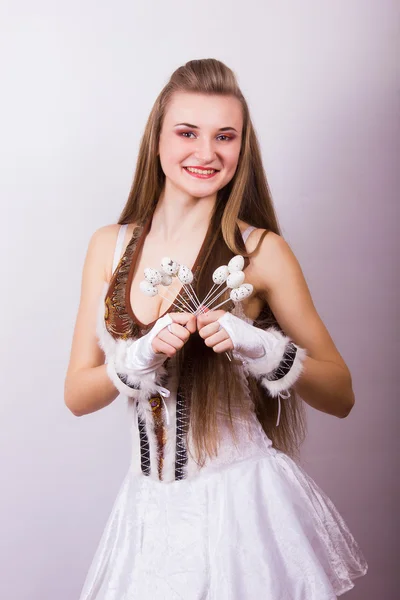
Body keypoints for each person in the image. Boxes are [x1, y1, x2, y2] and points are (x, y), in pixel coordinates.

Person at [65, 58, 367, 599]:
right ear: (156, 141)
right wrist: (134, 359)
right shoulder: (107, 246)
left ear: (241, 148)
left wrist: (266, 351)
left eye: (225, 136)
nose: (206, 153)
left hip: (239, 509)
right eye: (188, 133)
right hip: (147, 514)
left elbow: (341, 394)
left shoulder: (261, 252)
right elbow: (76, 394)